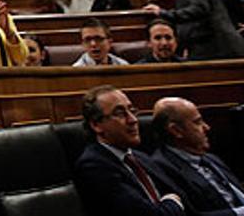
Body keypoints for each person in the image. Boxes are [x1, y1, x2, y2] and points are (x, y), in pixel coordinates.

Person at [73, 85, 186, 216]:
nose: (133, 120)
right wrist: (173, 203)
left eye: (132, 110)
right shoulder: (93, 166)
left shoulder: (139, 157)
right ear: (96, 125)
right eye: (120, 113)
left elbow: (182, 197)